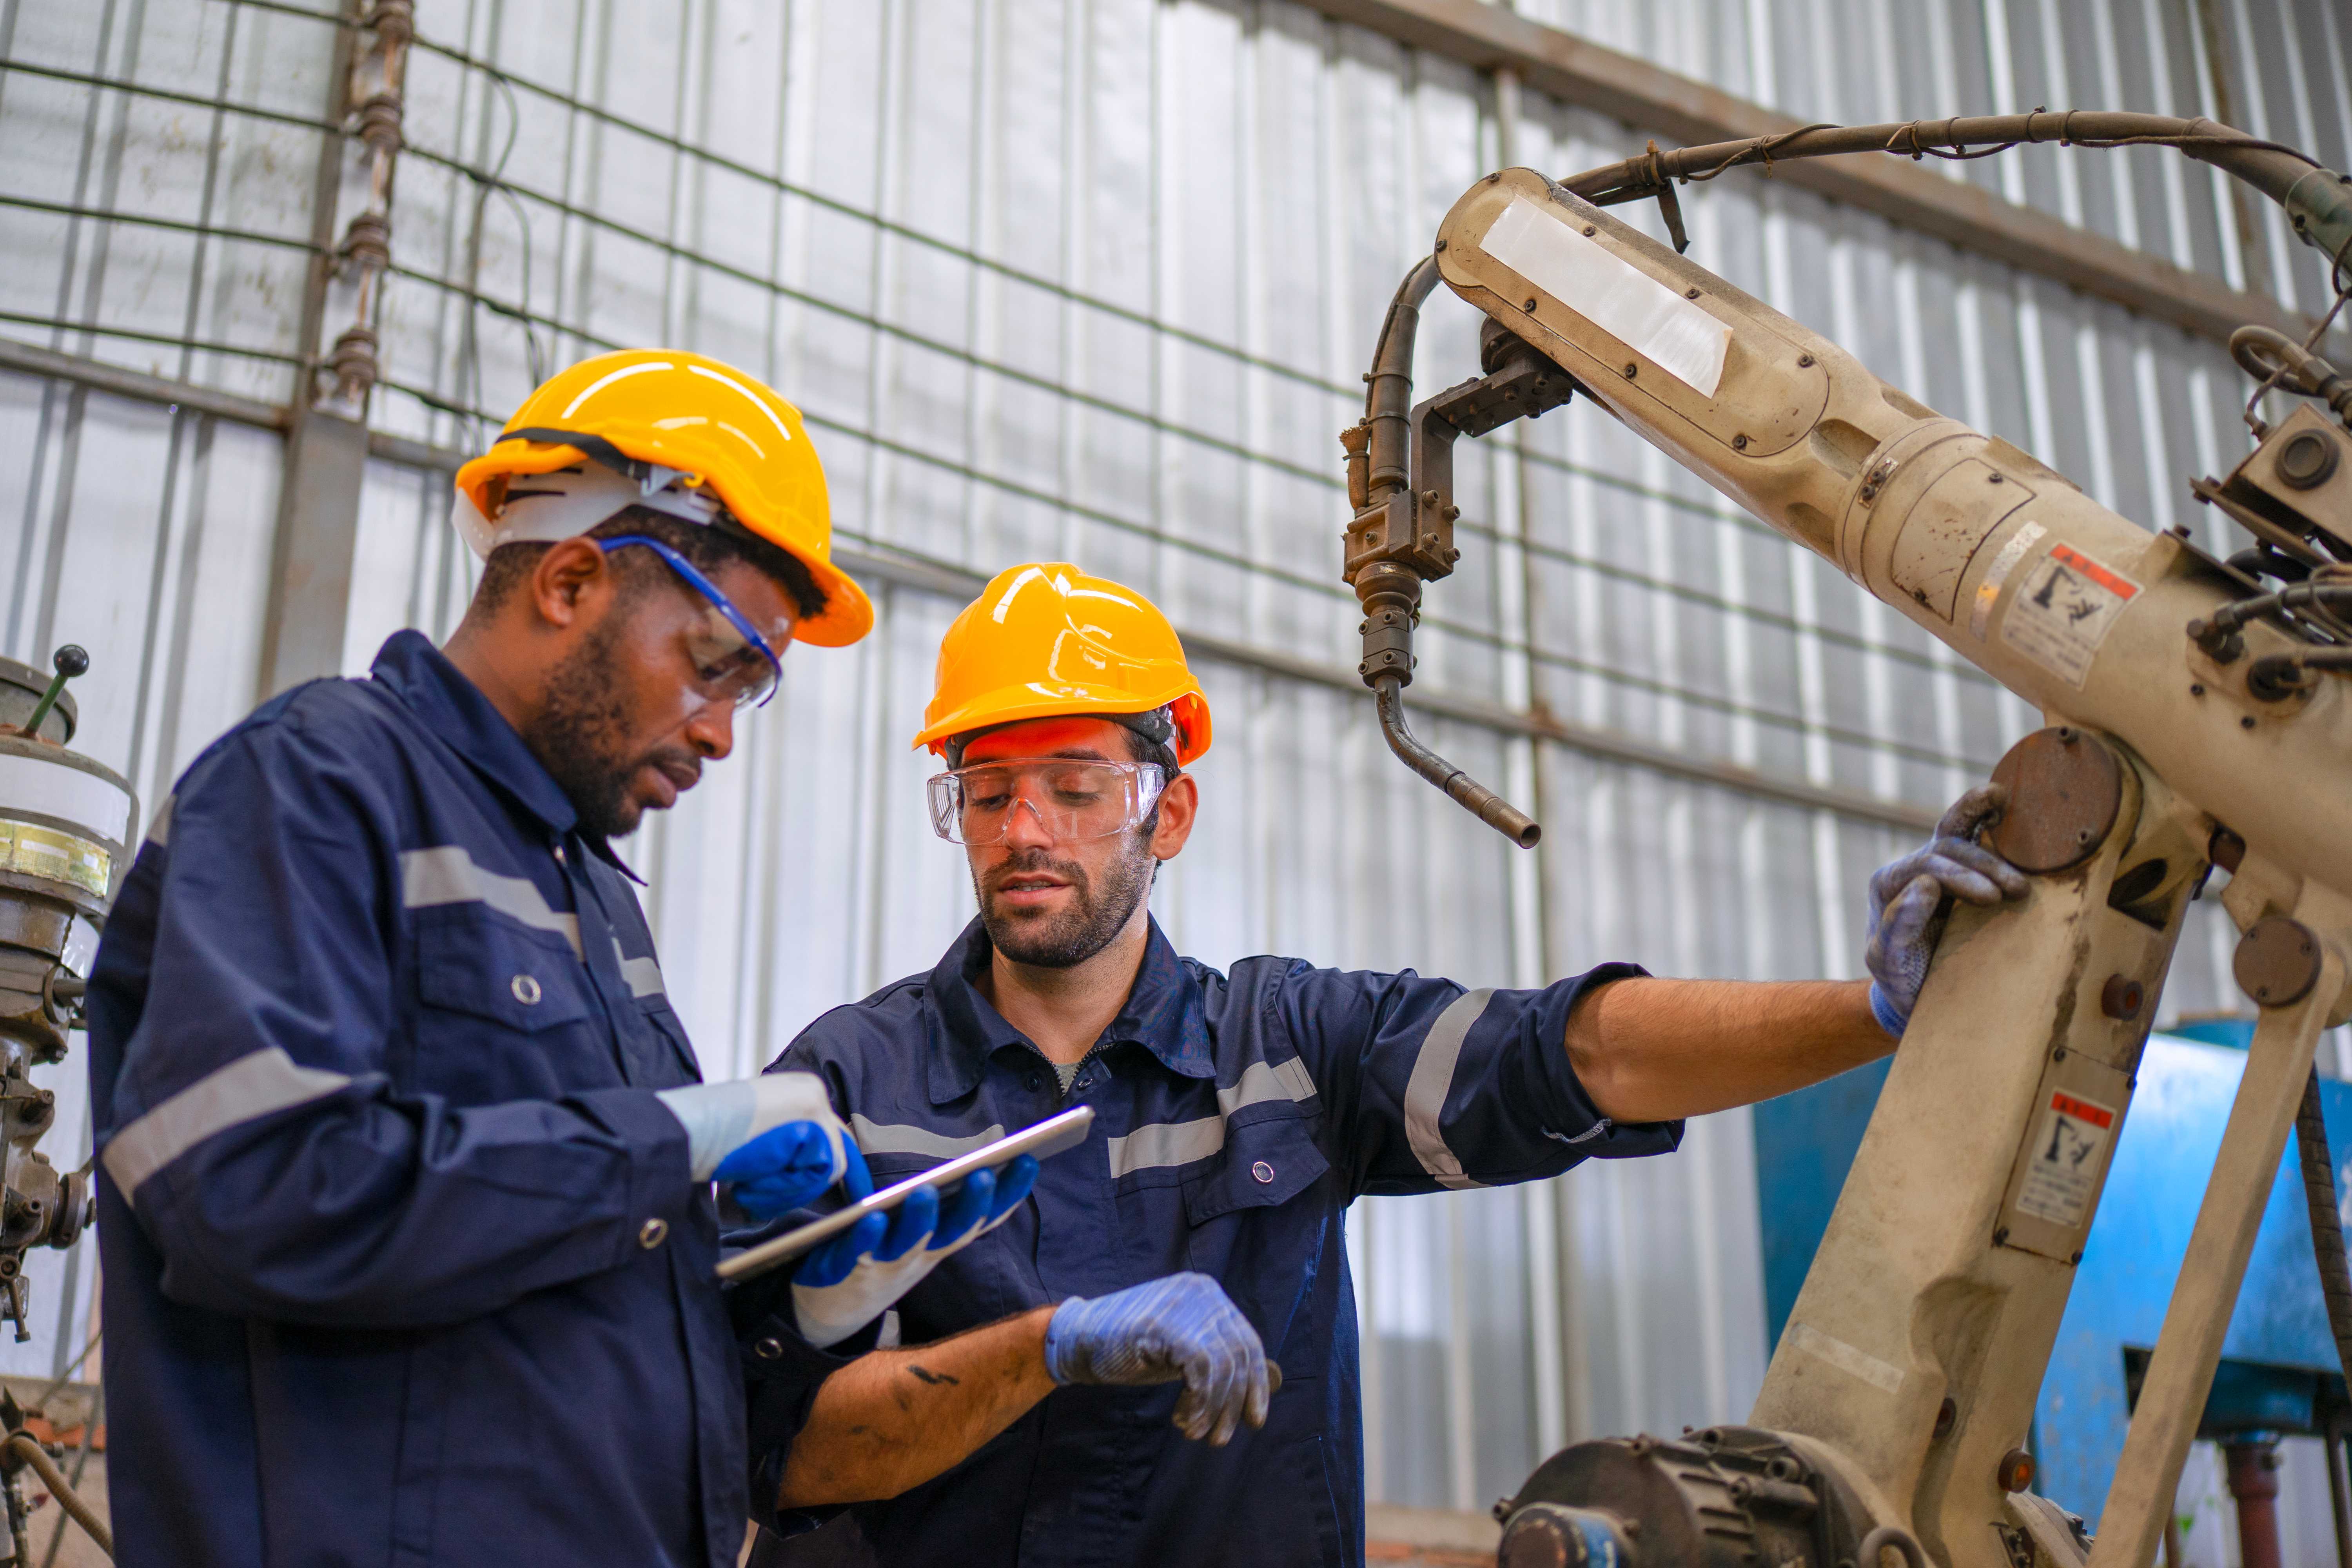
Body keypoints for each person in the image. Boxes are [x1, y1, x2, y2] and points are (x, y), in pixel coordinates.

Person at [742, 561, 2028, 1566]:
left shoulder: (1290, 1051)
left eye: (1076, 786)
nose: (1024, 830)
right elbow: (784, 1450)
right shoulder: (853, 1087)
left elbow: (1577, 1055)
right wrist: (1050, 1348)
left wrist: (1868, 1012)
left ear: (1166, 811)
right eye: (988, 789)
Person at [84, 350, 1005, 1568]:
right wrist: (674, 1138)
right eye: (719, 661)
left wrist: (794, 1299)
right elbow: (256, 1191)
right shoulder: (313, 787)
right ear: (572, 579)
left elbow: (548, 1303)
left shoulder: (589, 898)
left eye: (757, 689)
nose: (726, 732)